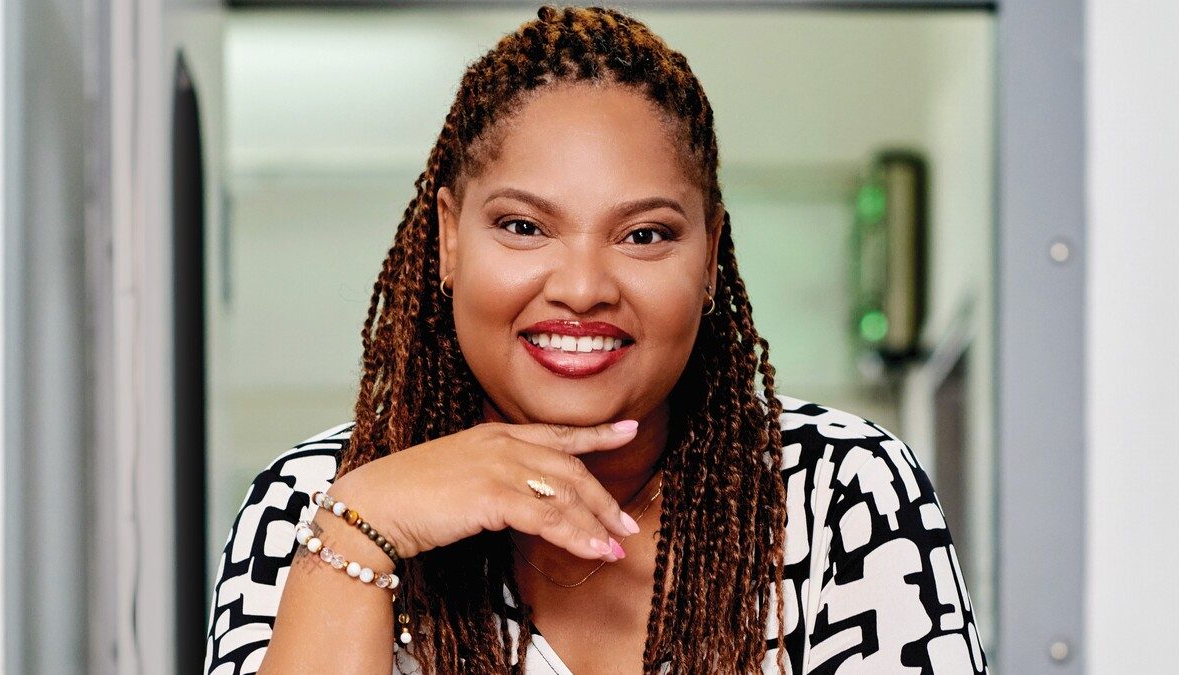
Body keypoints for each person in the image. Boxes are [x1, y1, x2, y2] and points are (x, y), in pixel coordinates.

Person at [203, 5, 989, 674]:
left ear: (711, 256)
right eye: (523, 226)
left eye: (644, 234)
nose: (582, 287)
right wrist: (363, 529)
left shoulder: (841, 491)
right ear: (447, 239)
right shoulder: (308, 503)